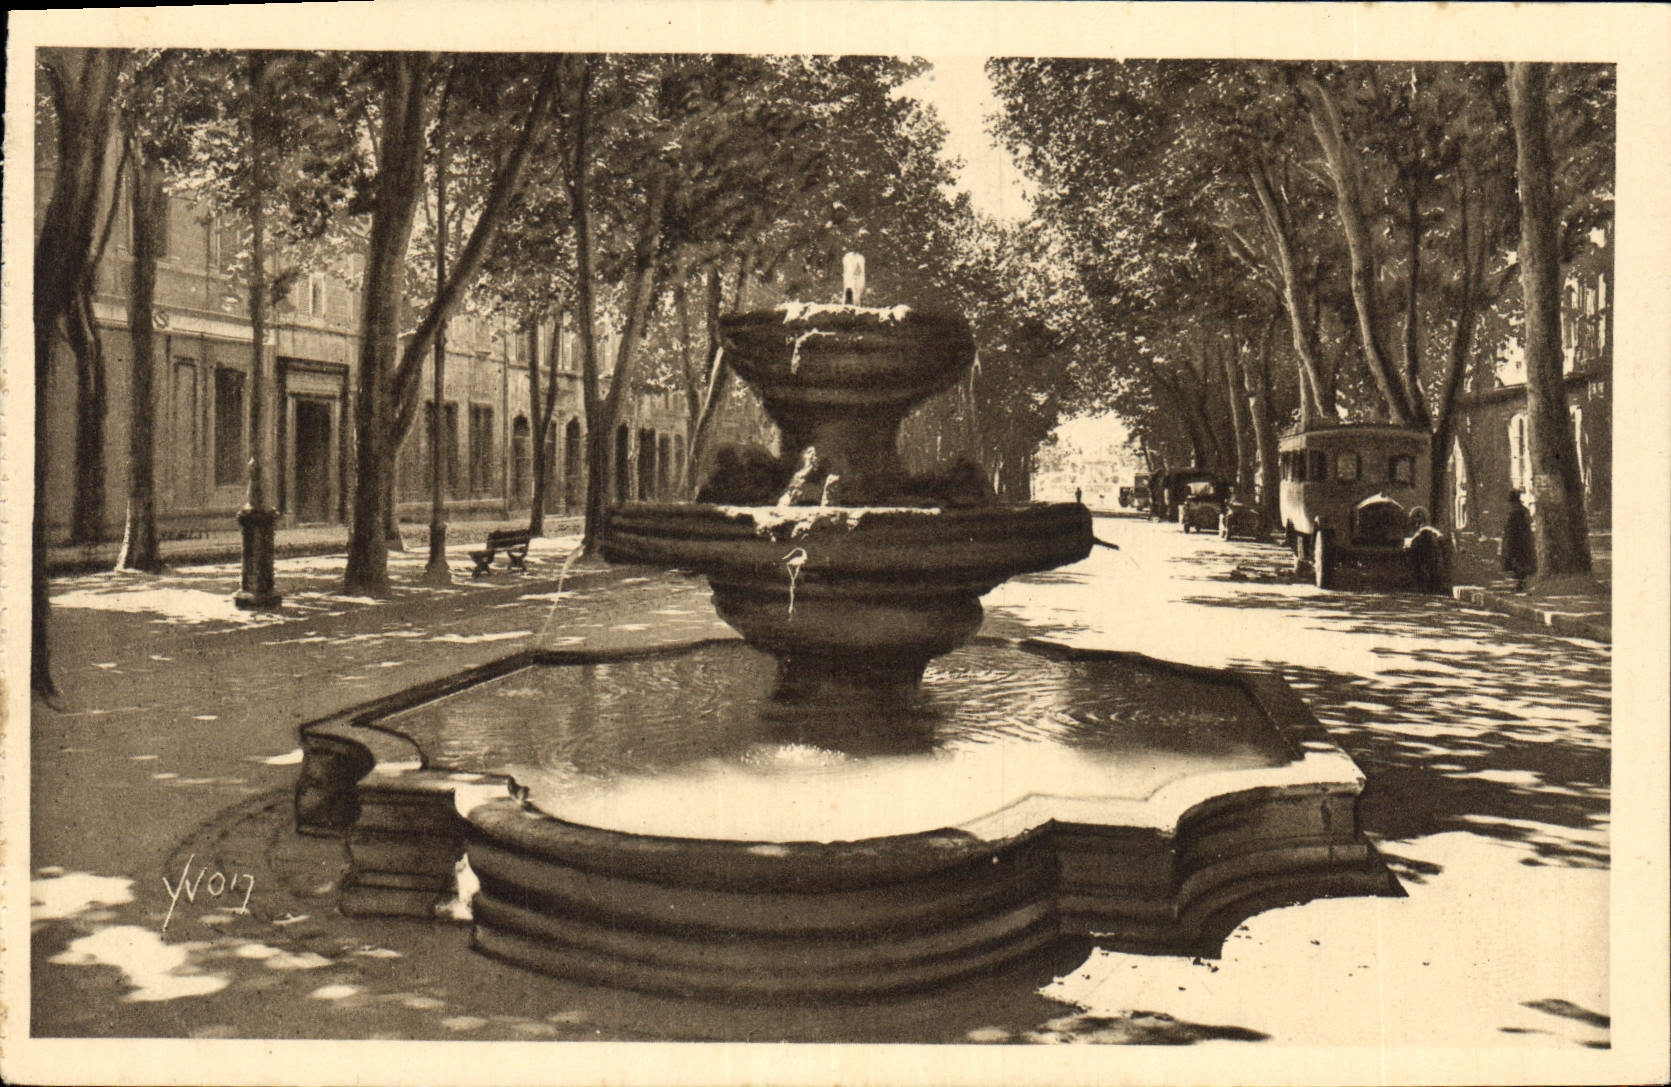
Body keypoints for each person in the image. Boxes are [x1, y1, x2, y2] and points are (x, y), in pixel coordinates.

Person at [1500, 489, 1536, 591]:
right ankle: (1521, 583)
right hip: (1524, 540)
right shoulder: (1524, 510)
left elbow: (1510, 529)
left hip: (1515, 540)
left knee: (1516, 561)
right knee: (1522, 561)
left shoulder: (1513, 512)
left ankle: (1520, 584)